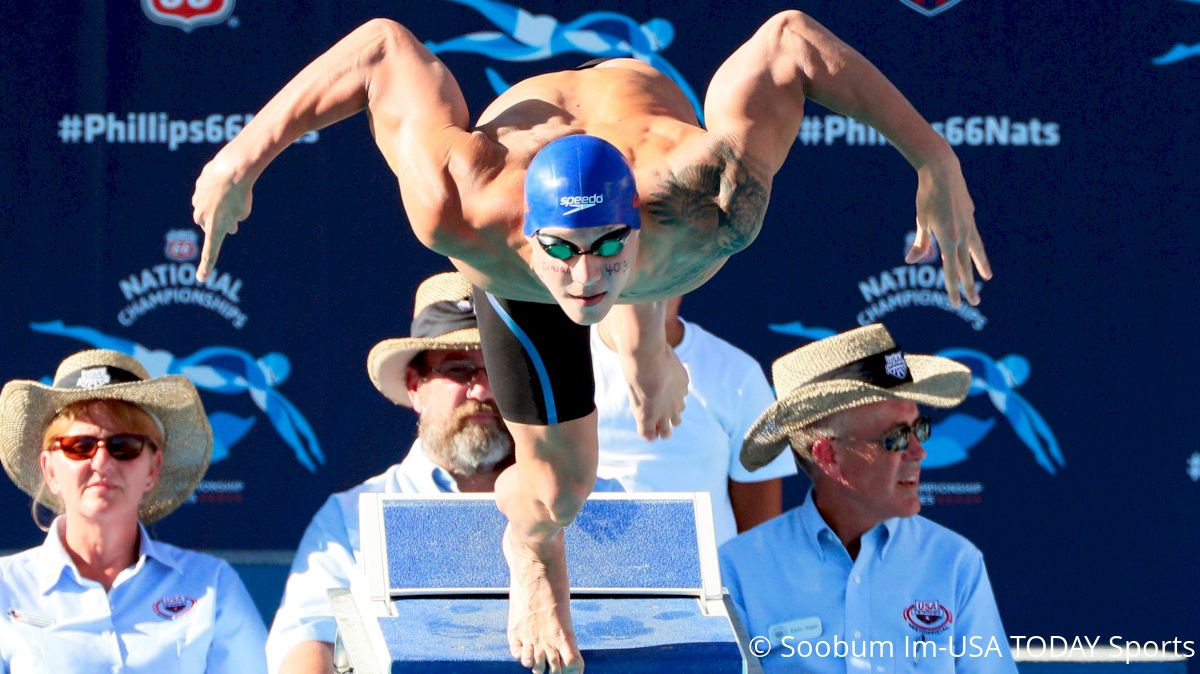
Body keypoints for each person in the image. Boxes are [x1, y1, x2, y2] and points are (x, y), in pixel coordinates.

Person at [191, 13, 992, 672]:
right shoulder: (461, 206)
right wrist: (241, 158)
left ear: (638, 229)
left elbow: (788, 40)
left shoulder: (714, 202)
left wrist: (933, 155)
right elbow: (380, 46)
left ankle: (645, 341)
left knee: (634, 308)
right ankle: (535, 551)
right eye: (564, 251)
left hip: (655, 221)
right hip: (540, 241)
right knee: (561, 484)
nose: (581, 277)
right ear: (531, 239)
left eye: (606, 248)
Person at [266, 272, 619, 674]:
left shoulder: (597, 499)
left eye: (501, 374)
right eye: (459, 370)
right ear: (415, 385)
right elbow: (305, 640)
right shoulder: (350, 517)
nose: (483, 391)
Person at [719, 324, 1016, 673]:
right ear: (828, 456)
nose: (919, 452)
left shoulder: (956, 564)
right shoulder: (738, 571)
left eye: (919, 429)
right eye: (896, 438)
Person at [0, 349, 267, 673]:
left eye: (123, 446)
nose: (101, 463)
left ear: (153, 468)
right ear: (50, 470)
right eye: (79, 447)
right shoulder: (6, 587)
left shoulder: (213, 584)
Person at [592, 296, 795, 545]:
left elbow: (758, 538)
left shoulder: (739, 374)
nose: (648, 284)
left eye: (660, 262)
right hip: (578, 581)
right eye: (631, 266)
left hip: (714, 582)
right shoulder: (554, 367)